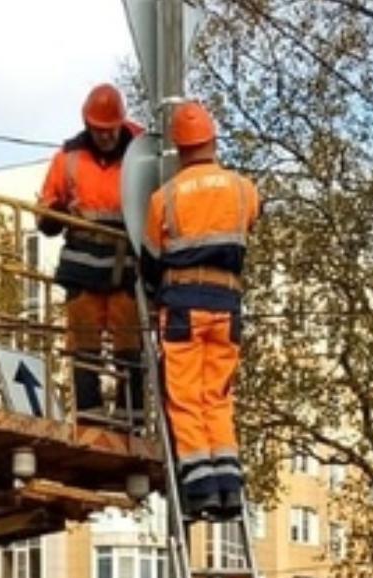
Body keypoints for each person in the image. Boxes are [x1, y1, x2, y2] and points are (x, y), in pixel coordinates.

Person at [142, 100, 261, 521]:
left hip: (181, 306)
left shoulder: (164, 198)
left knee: (187, 398)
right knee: (218, 398)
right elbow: (249, 227)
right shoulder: (244, 188)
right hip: (227, 305)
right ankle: (229, 486)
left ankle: (201, 490)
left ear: (179, 149)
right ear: (212, 141)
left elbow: (151, 260)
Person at [37, 84, 146, 423]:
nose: (105, 136)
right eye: (99, 130)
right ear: (88, 126)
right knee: (84, 345)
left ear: (121, 124)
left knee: (130, 343)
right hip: (82, 267)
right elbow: (46, 211)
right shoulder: (68, 158)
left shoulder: (141, 153)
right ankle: (91, 417)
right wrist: (51, 216)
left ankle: (132, 418)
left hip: (125, 267)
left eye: (110, 129)